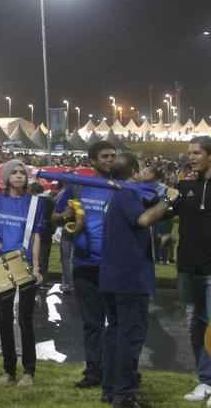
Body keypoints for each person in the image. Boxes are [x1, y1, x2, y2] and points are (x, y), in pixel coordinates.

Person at [99, 152, 175, 408]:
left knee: (115, 333)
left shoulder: (117, 195)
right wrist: (167, 200)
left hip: (112, 276)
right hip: (129, 277)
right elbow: (143, 219)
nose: (145, 171)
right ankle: (124, 394)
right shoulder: (129, 193)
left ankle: (110, 388)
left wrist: (162, 207)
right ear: (133, 171)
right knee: (130, 336)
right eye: (141, 167)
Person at [54, 139, 119, 390]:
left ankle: (114, 371)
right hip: (84, 264)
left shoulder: (120, 187)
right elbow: (55, 218)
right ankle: (93, 371)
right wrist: (64, 217)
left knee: (115, 323)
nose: (110, 160)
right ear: (93, 161)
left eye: (113, 156)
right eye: (105, 156)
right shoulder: (77, 187)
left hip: (114, 265)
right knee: (92, 323)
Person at [0, 159, 45, 386]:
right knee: (3, 318)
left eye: (22, 172)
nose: (19, 176)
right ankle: (9, 371)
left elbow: (36, 236)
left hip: (26, 264)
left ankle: (29, 372)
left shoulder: (34, 203)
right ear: (7, 177)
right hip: (3, 264)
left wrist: (37, 266)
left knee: (25, 319)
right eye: (14, 172)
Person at [175, 136, 211, 403]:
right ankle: (205, 380)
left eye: (197, 153)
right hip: (188, 268)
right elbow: (161, 211)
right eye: (189, 153)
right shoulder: (184, 186)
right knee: (195, 326)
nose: (191, 157)